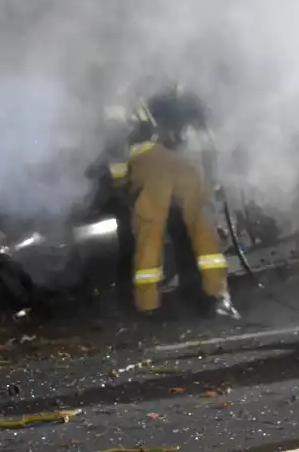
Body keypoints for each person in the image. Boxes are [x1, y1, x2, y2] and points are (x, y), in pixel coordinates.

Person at [100, 81, 240, 319]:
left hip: (148, 162)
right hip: (188, 161)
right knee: (202, 230)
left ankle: (147, 306)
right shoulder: (183, 93)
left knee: (149, 235)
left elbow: (116, 146)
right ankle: (217, 297)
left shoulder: (122, 98)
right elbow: (208, 140)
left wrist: (121, 184)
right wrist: (214, 179)